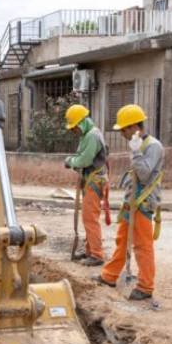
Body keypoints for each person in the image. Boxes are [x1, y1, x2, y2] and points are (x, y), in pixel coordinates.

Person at [93, 104, 164, 300]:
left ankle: (146, 286)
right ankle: (109, 275)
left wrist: (135, 152)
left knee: (142, 245)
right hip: (131, 202)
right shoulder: (139, 144)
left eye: (124, 129)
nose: (122, 133)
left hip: (143, 202)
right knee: (122, 241)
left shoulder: (153, 146)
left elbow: (143, 173)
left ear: (134, 127)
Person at [64, 104, 108, 267]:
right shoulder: (87, 135)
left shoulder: (92, 136)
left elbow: (84, 160)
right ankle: (90, 251)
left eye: (74, 128)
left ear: (81, 122)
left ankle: (96, 254)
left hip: (94, 181)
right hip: (90, 180)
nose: (73, 131)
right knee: (88, 217)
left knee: (90, 218)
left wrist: (70, 162)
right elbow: (82, 156)